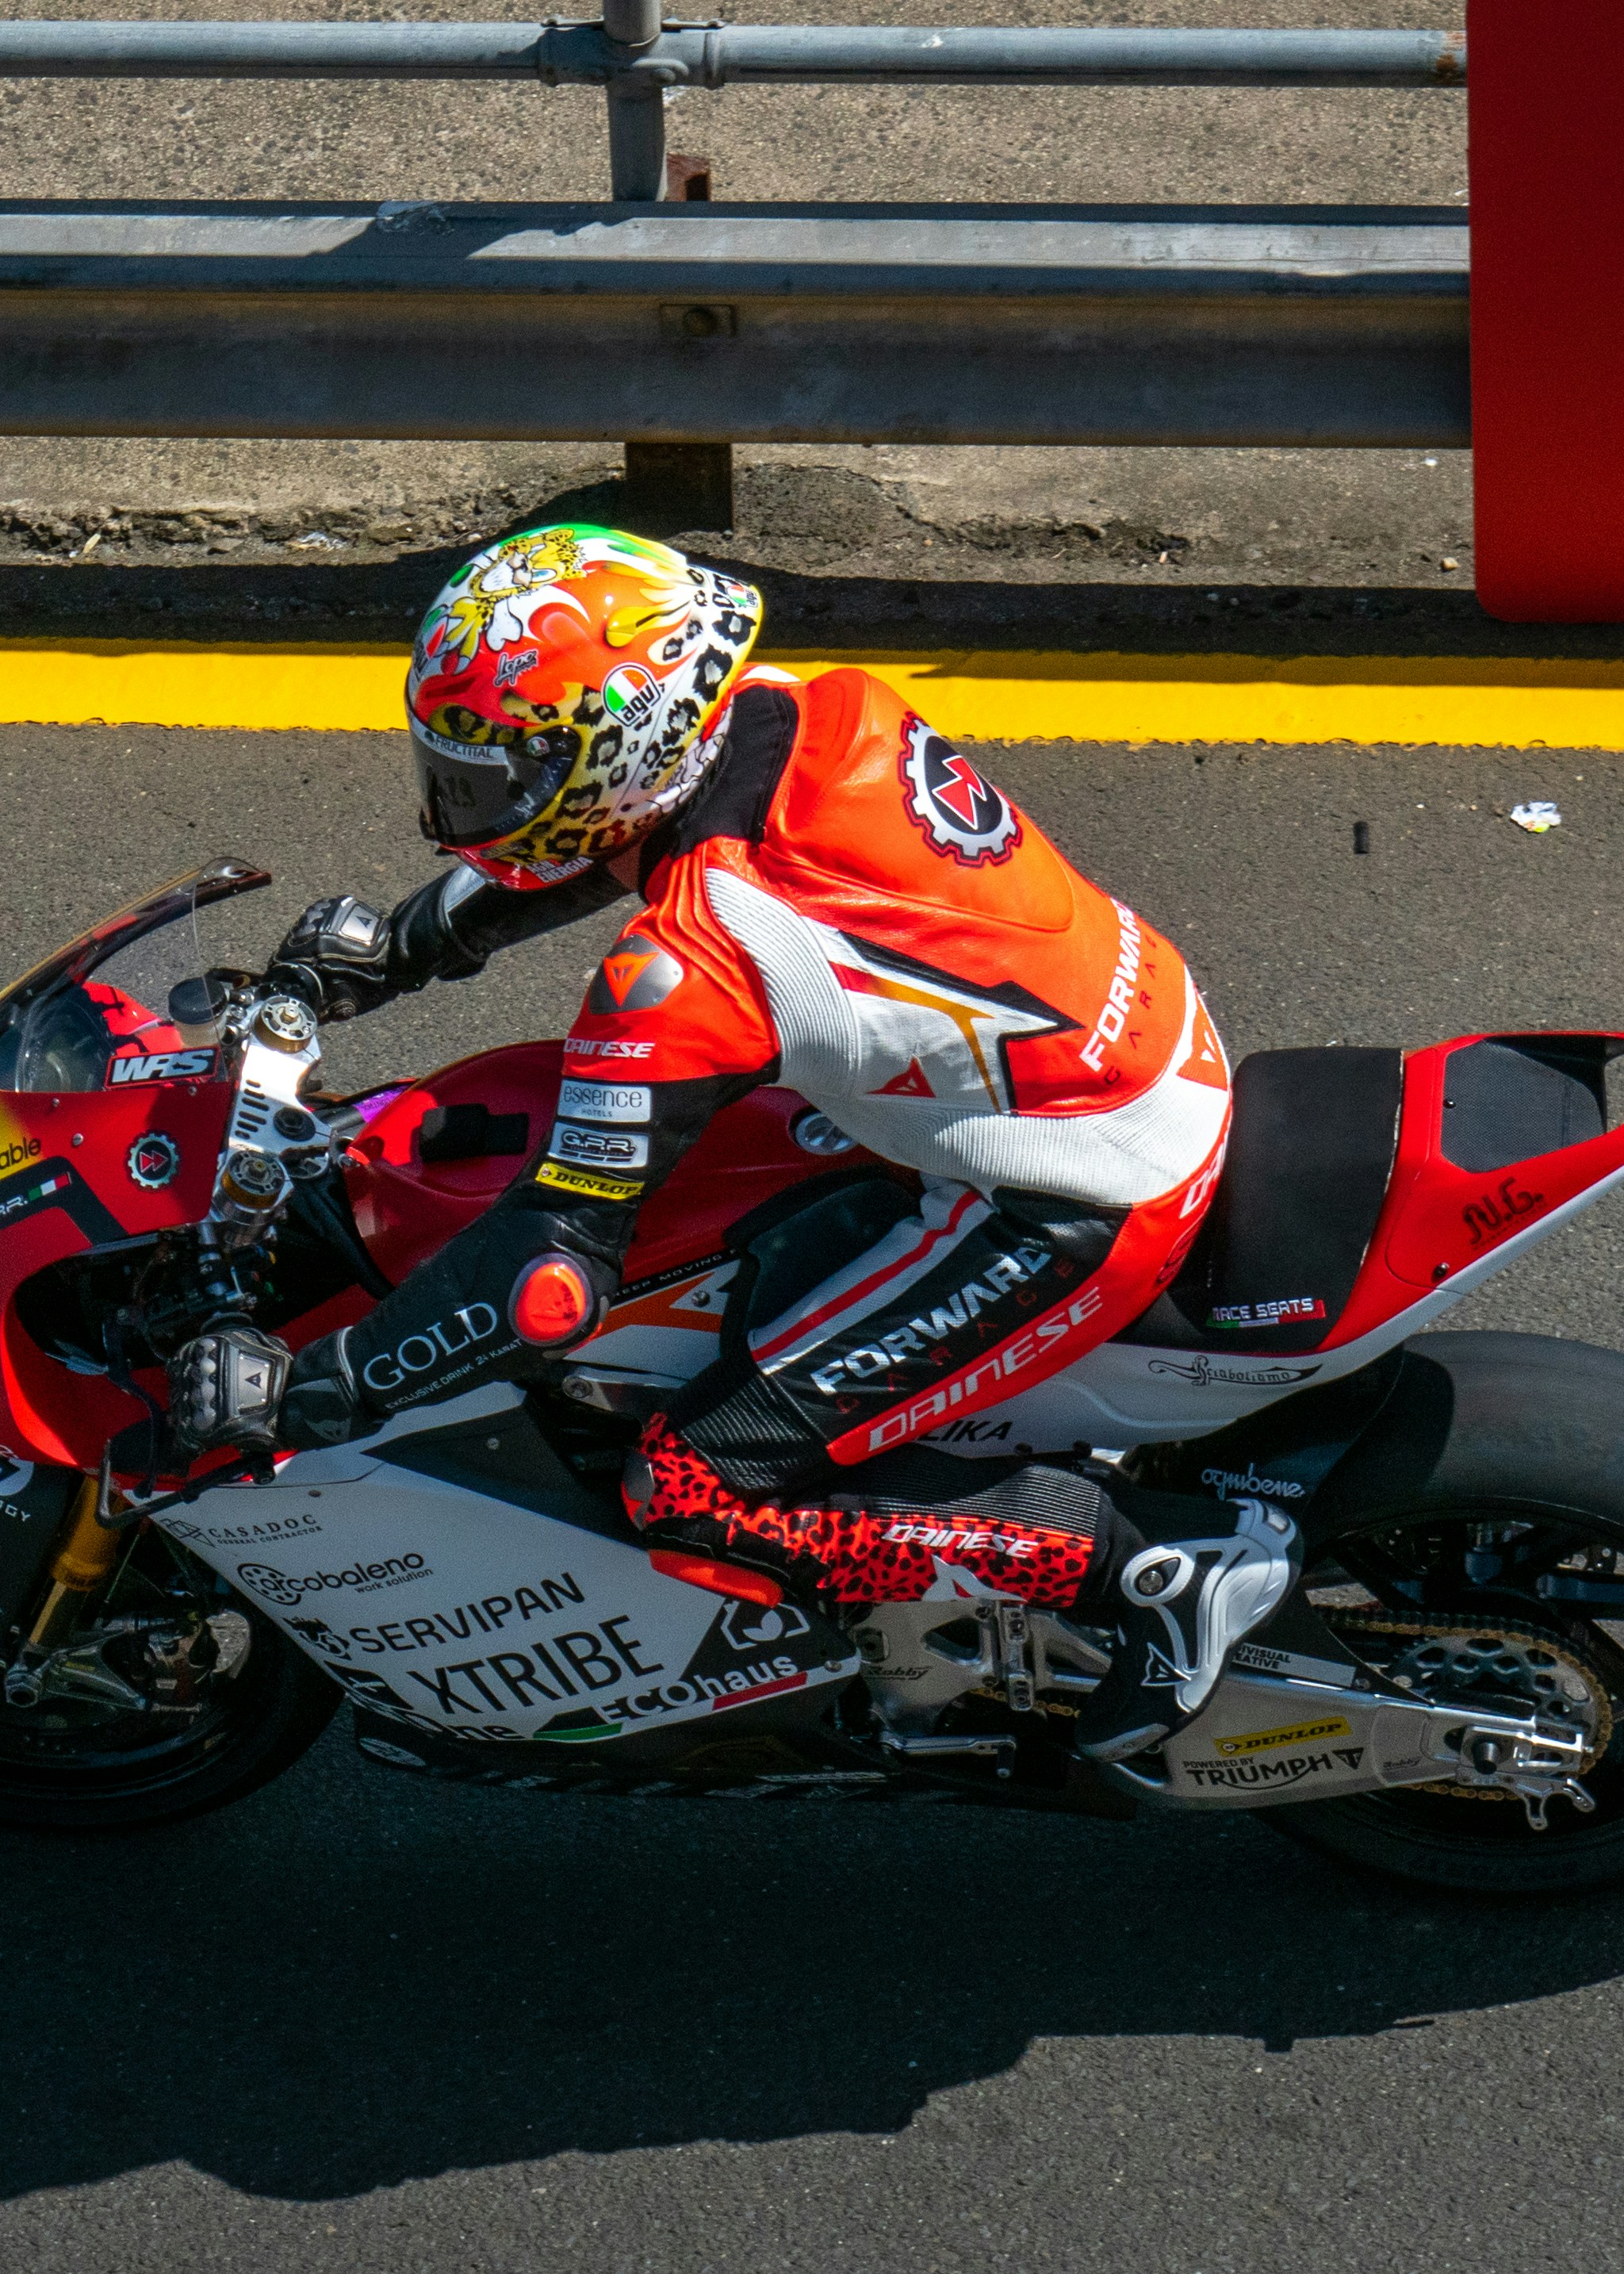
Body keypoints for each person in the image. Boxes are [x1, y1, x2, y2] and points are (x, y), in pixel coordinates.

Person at [173, 524, 1296, 1762]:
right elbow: (618, 832)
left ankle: (1145, 1575)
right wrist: (405, 948)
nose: (469, 807)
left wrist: (316, 1386)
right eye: (460, 768)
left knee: (694, 1484)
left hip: (1079, 1184)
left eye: (500, 775)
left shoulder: (692, 965)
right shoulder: (792, 708)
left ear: (627, 744)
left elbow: (545, 1282)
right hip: (1117, 1036)